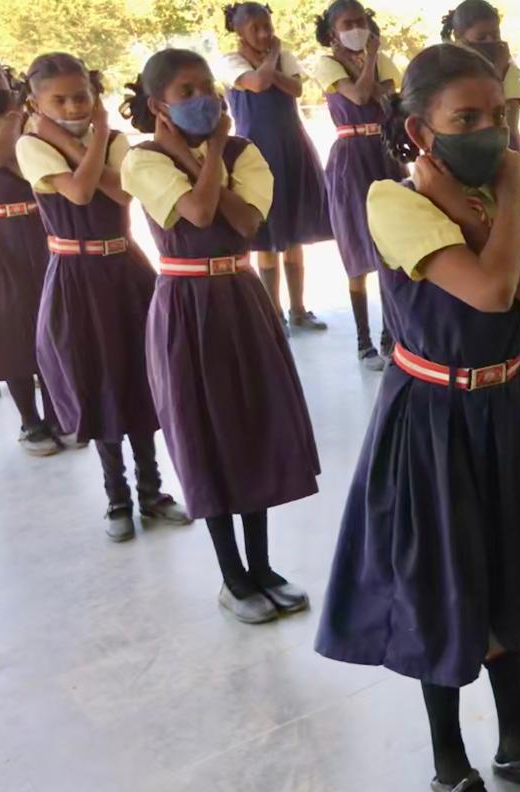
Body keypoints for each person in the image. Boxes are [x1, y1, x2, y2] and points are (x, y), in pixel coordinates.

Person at [314, 43, 520, 792]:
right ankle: (452, 763)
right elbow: (488, 288)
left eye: (500, 115)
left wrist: (495, 203)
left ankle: (515, 743)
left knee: (509, 576)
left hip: (509, 403)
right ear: (421, 130)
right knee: (442, 590)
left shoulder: (515, 189)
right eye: (465, 119)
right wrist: (507, 201)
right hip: (433, 418)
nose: (491, 131)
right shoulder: (391, 200)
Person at [121, 48, 321, 624]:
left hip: (240, 299)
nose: (203, 98)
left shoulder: (245, 150)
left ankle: (261, 566)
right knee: (205, 433)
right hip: (185, 307)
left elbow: (248, 223)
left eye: (207, 86)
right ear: (159, 105)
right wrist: (199, 157)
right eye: (186, 91)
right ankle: (232, 577)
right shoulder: (142, 160)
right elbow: (203, 213)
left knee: (250, 428)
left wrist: (206, 157)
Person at [16, 52, 188, 541]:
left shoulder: (114, 139)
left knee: (141, 376)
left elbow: (121, 194)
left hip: (126, 269)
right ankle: (117, 497)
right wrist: (75, 149)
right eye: (59, 100)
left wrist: (76, 144)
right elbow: (77, 192)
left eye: (81, 97)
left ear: (95, 97)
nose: (72, 106)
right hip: (75, 275)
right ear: (36, 103)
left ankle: (152, 492)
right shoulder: (30, 146)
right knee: (100, 380)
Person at [219, 2, 334, 334]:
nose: (265, 33)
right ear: (239, 32)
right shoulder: (231, 61)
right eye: (256, 28)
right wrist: (272, 58)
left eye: (268, 26)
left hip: (291, 149)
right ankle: (274, 314)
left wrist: (272, 66)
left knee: (293, 232)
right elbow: (256, 84)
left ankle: (299, 309)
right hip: (255, 155)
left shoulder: (285, 59)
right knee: (267, 238)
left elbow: (297, 88)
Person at [312, 0, 403, 371]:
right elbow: (364, 96)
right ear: (332, 32)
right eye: (347, 24)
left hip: (384, 153)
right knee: (356, 247)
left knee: (390, 247)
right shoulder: (327, 64)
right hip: (350, 158)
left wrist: (373, 71)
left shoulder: (384, 61)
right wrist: (371, 65)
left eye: (361, 21)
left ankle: (389, 336)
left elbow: (391, 95)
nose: (357, 28)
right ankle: (364, 342)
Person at [0, 60, 57, 454]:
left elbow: (33, 168)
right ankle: (29, 422)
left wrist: (18, 115)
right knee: (10, 326)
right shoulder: (19, 120)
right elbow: (2, 154)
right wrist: (16, 113)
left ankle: (58, 413)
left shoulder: (31, 121)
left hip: (39, 228)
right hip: (0, 236)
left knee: (48, 319)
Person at [441, 0, 520, 152]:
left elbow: (510, 122)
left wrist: (500, 69)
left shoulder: (507, 68)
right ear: (459, 38)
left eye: (495, 35)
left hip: (504, 146)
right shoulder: (448, 69)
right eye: (481, 38)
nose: (491, 42)